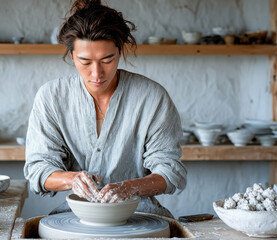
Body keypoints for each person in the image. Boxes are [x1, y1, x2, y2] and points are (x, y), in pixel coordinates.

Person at [24, 0, 187, 218]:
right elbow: (38, 170)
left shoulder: (152, 97)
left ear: (120, 51)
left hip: (139, 214)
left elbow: (170, 172)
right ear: (71, 56)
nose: (97, 74)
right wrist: (72, 179)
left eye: (107, 60)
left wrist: (130, 187)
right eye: (85, 61)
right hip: (75, 214)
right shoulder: (51, 97)